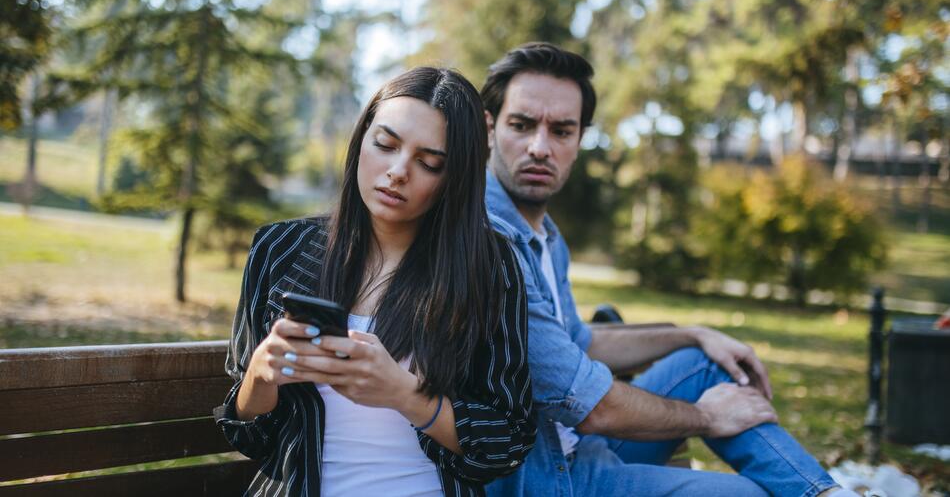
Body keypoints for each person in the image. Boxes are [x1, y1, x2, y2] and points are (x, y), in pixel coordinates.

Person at [481, 42, 857, 497]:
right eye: (521, 126)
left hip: (580, 446)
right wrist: (709, 417)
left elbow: (581, 343)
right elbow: (587, 403)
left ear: (579, 140)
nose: (540, 147)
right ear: (489, 129)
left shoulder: (546, 236)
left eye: (561, 131)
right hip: (544, 479)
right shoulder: (488, 237)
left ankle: (825, 493)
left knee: (702, 362)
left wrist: (691, 333)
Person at [215, 67, 535, 497]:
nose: (398, 171)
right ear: (362, 139)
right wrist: (261, 375)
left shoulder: (488, 268)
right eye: (385, 144)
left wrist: (405, 394)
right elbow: (249, 436)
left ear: (454, 180)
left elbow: (506, 442)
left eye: (429, 163)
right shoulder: (280, 249)